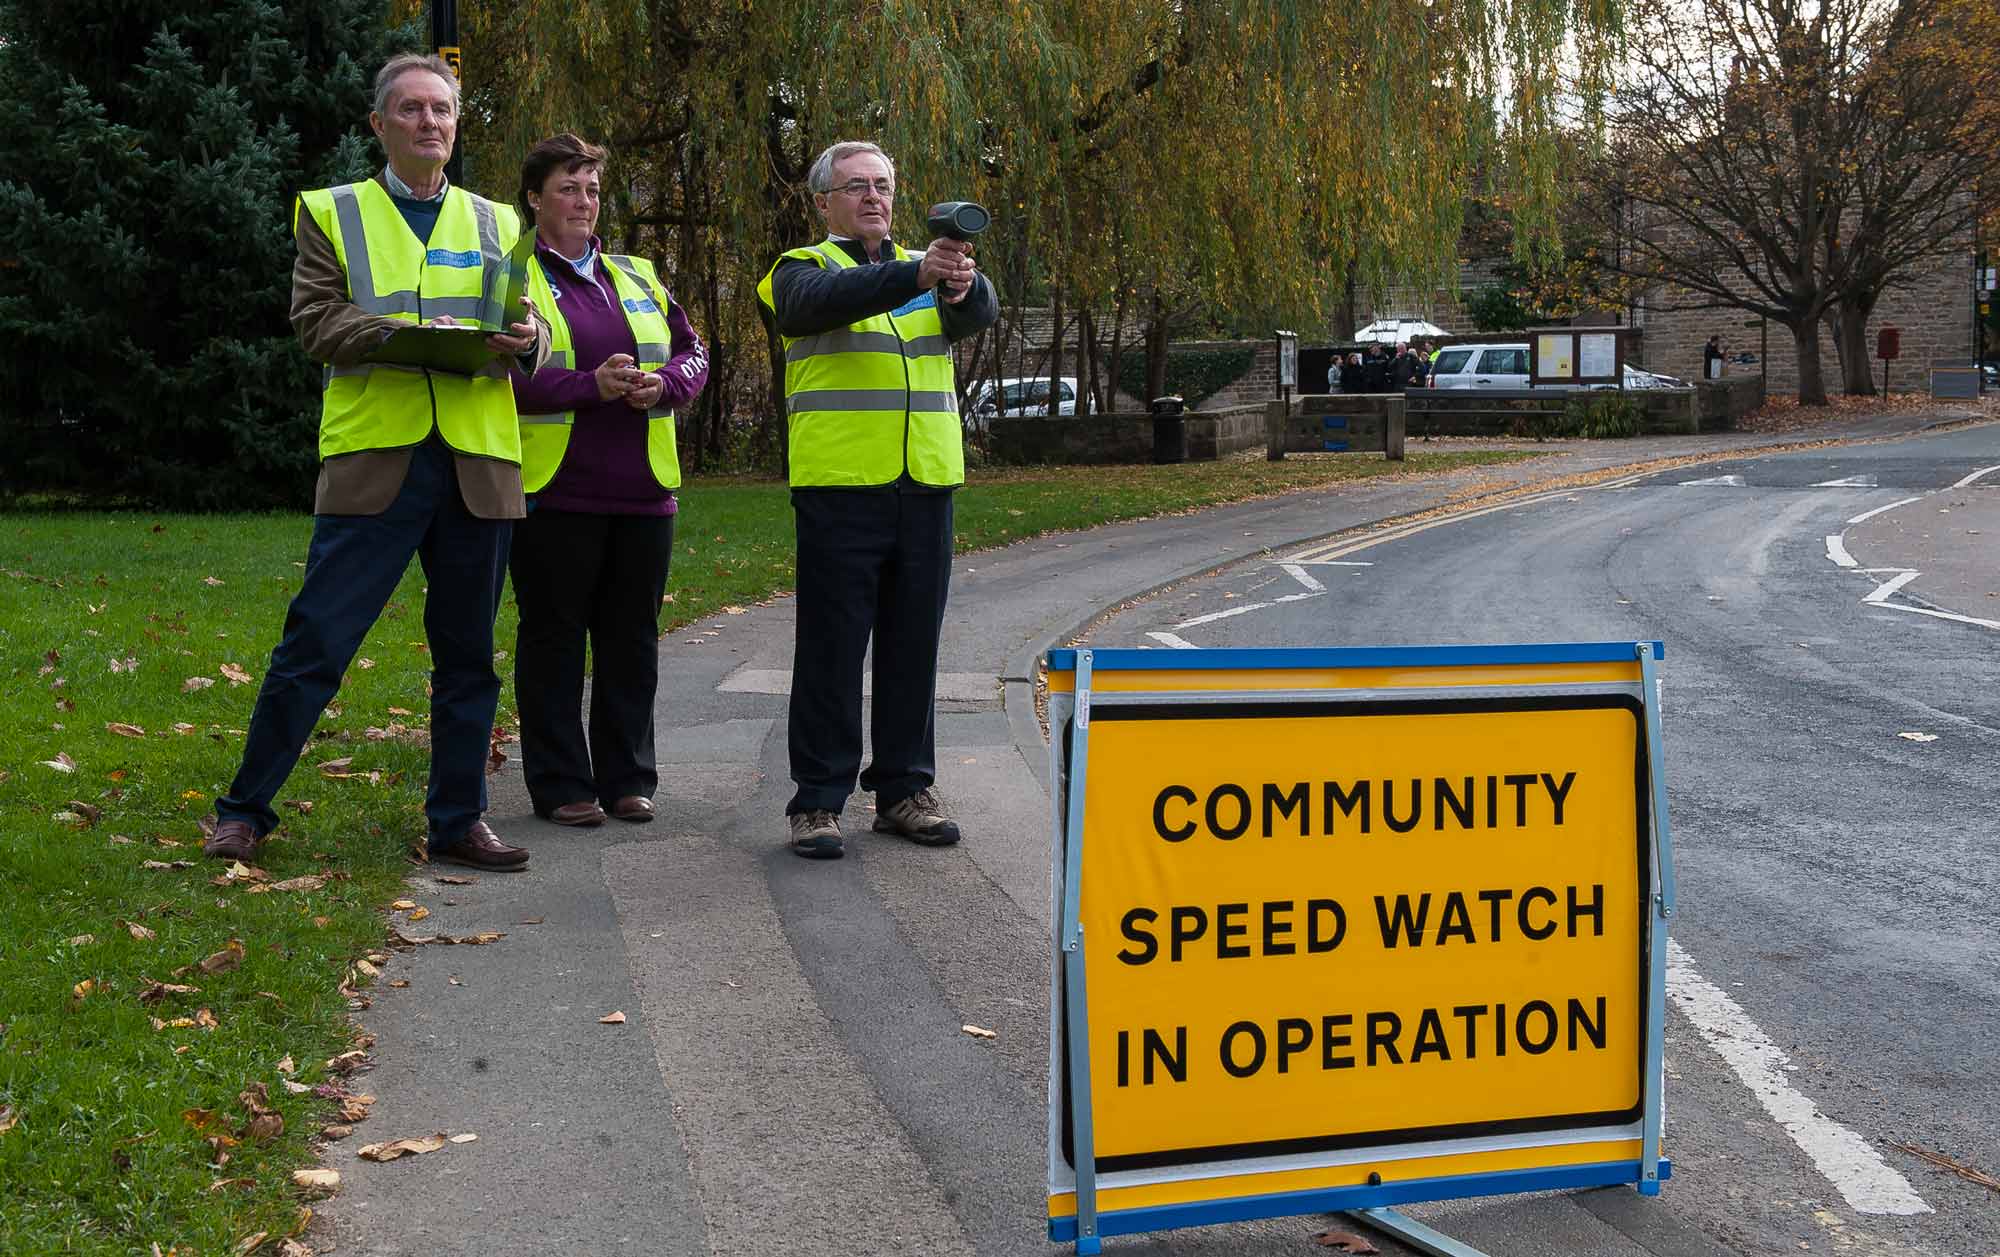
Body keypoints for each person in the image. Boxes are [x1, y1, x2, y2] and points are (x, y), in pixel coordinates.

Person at [204, 54, 548, 873]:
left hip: (480, 464)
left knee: (468, 653)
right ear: (378, 125)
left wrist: (527, 340)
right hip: (375, 461)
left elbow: (533, 330)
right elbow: (316, 321)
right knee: (317, 639)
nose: (429, 123)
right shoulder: (334, 212)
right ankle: (244, 811)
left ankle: (459, 819)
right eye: (411, 110)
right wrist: (411, 342)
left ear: (457, 124)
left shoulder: (499, 220)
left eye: (442, 110)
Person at [755, 139, 999, 859]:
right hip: (840, 489)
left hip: (924, 485)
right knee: (832, 649)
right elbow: (809, 308)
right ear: (824, 200)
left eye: (883, 185)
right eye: (856, 185)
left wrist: (958, 284)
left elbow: (977, 312)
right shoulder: (799, 267)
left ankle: (903, 790)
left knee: (912, 648)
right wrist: (915, 273)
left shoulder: (928, 274)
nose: (873, 197)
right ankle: (818, 801)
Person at [508, 134, 710, 828]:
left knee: (632, 641)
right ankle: (563, 782)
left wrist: (667, 385)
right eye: (569, 187)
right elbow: (506, 379)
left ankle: (628, 778)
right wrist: (591, 386)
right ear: (535, 197)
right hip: (554, 489)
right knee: (554, 641)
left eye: (592, 189)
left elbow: (693, 352)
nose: (584, 202)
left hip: (644, 491)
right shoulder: (513, 276)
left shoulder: (638, 274)